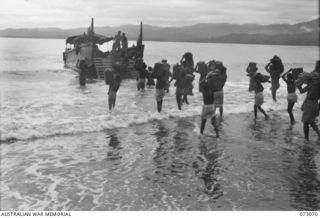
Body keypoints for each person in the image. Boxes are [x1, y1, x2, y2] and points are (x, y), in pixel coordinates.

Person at [297, 60, 320, 141]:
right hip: (314, 104)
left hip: (310, 104)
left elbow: (301, 91)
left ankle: (306, 140)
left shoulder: (312, 84)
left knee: (306, 122)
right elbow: (302, 91)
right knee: (311, 121)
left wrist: (298, 85)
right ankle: (318, 134)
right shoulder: (314, 84)